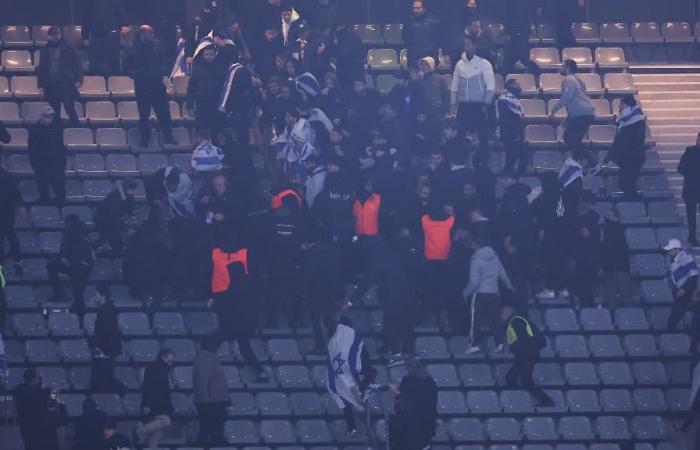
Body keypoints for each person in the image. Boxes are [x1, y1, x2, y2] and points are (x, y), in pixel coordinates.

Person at [209, 244, 270, 382]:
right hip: (246, 324)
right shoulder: (251, 285)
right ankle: (262, 373)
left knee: (212, 342)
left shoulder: (237, 285)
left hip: (234, 323)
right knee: (244, 348)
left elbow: (227, 295)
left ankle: (208, 366)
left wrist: (214, 299)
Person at [123, 25, 176, 147]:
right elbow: (125, 66)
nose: (152, 35)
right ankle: (145, 139)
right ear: (142, 34)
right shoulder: (132, 48)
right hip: (142, 85)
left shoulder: (157, 45)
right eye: (150, 33)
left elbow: (165, 61)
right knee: (144, 114)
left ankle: (168, 136)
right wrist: (137, 75)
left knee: (164, 112)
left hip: (157, 83)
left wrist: (161, 71)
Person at [462, 234, 515, 353]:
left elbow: (474, 282)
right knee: (495, 320)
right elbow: (503, 275)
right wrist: (510, 287)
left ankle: (473, 345)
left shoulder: (476, 259)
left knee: (474, 320)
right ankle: (500, 344)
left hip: (480, 294)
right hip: (494, 293)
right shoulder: (494, 257)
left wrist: (465, 293)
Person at [327, 317, 377, 436]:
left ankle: (352, 427)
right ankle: (361, 389)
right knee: (372, 372)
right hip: (353, 369)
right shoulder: (352, 337)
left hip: (340, 373)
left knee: (344, 396)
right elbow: (365, 354)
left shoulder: (334, 340)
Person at [370, 239, 416, 367]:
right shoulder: (404, 259)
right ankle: (407, 353)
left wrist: (351, 299)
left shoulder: (380, 262)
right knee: (404, 326)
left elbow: (368, 281)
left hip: (391, 300)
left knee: (391, 325)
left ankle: (396, 354)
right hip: (408, 299)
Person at [450, 36, 495, 164]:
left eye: (469, 44)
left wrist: (486, 104)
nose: (467, 46)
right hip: (464, 105)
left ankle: (482, 161)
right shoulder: (459, 64)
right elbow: (454, 85)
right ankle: (460, 162)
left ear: (474, 46)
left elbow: (490, 86)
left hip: (479, 105)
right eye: (465, 44)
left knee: (483, 136)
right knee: (460, 135)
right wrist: (453, 104)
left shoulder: (484, 64)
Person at [502, 304, 554, 406]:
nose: (500, 316)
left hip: (526, 355)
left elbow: (521, 339)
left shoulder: (515, 322)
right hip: (527, 355)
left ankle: (546, 401)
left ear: (508, 313)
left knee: (521, 379)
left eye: (502, 314)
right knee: (514, 378)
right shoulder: (521, 320)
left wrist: (514, 348)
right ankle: (524, 400)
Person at [302, 228, 344, 352]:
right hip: (331, 290)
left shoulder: (312, 253)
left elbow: (309, 273)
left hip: (315, 290)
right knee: (328, 317)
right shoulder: (335, 251)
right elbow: (340, 272)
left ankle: (320, 345)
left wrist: (304, 289)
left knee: (315, 318)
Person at [388, 358, 438, 450]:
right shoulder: (409, 380)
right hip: (411, 428)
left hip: (417, 428)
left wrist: (398, 393)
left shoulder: (427, 383)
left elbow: (416, 406)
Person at [47, 214, 93, 312]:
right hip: (85, 266)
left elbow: (63, 251)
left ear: (68, 223)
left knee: (51, 266)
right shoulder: (85, 232)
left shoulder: (68, 231)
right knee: (78, 294)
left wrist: (66, 260)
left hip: (73, 264)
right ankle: (81, 317)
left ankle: (59, 294)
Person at [37, 26, 82, 126]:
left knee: (69, 107)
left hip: (67, 83)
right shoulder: (44, 50)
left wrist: (78, 79)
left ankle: (76, 127)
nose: (55, 38)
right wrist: (40, 84)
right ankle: (57, 132)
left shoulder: (70, 47)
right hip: (51, 84)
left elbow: (78, 64)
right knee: (54, 111)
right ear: (49, 37)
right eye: (53, 36)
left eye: (56, 35)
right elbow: (42, 68)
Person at [603, 95, 646, 198]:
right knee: (624, 184)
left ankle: (634, 205)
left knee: (626, 184)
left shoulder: (636, 122)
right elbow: (618, 141)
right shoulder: (626, 121)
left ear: (627, 105)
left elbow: (623, 141)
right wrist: (608, 157)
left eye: (621, 104)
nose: (619, 107)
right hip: (627, 159)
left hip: (633, 158)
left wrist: (611, 156)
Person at [15, 369, 69, 450]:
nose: (40, 380)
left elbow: (40, 397)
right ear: (34, 380)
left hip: (31, 441)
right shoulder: (41, 403)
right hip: (45, 440)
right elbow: (62, 420)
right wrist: (59, 401)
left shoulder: (21, 396)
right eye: (38, 378)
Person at [549, 60, 595, 153]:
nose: (560, 68)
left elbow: (566, 97)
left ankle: (592, 161)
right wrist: (568, 118)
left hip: (581, 115)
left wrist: (553, 111)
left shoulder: (568, 79)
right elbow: (577, 100)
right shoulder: (576, 80)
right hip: (584, 114)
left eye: (562, 66)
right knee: (571, 139)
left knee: (571, 140)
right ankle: (580, 161)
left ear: (567, 68)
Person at [135, 348, 175, 449]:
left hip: (157, 405)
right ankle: (139, 431)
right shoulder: (156, 368)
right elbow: (147, 387)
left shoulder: (158, 368)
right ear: (163, 356)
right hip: (155, 406)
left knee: (155, 435)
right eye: (170, 360)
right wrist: (146, 404)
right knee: (166, 421)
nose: (171, 363)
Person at [193, 335, 228, 447]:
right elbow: (203, 381)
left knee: (208, 430)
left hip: (213, 400)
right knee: (210, 430)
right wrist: (206, 401)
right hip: (211, 402)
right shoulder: (206, 359)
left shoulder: (206, 358)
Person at [28, 105, 66, 206]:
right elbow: (32, 148)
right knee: (43, 185)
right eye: (47, 117)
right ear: (42, 116)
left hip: (55, 162)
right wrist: (34, 162)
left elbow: (60, 146)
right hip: (41, 162)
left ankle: (58, 202)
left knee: (58, 187)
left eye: (51, 117)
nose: (50, 119)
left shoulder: (56, 128)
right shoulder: (35, 130)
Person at [90, 286, 125, 394]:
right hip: (107, 349)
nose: (93, 298)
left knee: (101, 377)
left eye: (96, 296)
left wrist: (99, 348)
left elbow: (105, 332)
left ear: (103, 297)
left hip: (105, 349)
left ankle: (122, 391)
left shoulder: (106, 311)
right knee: (105, 376)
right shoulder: (108, 309)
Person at [186, 45, 226, 134]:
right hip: (201, 106)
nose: (209, 57)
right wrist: (190, 104)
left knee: (216, 132)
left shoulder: (221, 69)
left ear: (215, 55)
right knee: (201, 132)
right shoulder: (197, 68)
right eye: (207, 54)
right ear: (203, 55)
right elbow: (191, 87)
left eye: (211, 54)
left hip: (216, 106)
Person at [571, 192, 602, 307]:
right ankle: (588, 307)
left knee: (581, 283)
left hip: (589, 258)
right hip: (580, 257)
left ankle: (589, 307)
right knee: (578, 284)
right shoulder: (576, 217)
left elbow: (588, 235)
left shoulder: (592, 218)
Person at [81, 0, 127, 76]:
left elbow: (121, 12)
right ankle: (95, 85)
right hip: (96, 36)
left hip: (111, 34)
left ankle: (116, 84)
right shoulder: (90, 2)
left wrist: (124, 25)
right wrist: (85, 36)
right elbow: (86, 18)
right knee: (94, 63)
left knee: (113, 62)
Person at [93, 179, 137, 256]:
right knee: (109, 234)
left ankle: (103, 254)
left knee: (118, 247)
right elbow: (113, 215)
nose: (133, 192)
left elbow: (129, 210)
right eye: (131, 189)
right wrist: (127, 228)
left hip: (114, 221)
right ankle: (92, 249)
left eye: (134, 190)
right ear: (126, 189)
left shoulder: (129, 196)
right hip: (103, 220)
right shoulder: (114, 197)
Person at [600, 208, 633, 309]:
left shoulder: (617, 229)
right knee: (610, 298)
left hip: (620, 268)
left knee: (625, 296)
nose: (607, 218)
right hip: (609, 268)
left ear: (616, 218)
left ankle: (631, 320)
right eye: (606, 216)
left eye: (609, 216)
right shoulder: (607, 230)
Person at [664, 238, 699, 330]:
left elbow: (694, 276)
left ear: (676, 249)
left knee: (674, 318)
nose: (668, 252)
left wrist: (684, 289)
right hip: (684, 293)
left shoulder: (685, 258)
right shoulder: (675, 260)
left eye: (670, 250)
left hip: (687, 293)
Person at [498, 78, 528, 174]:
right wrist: (515, 134)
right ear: (511, 86)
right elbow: (507, 120)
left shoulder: (513, 99)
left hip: (515, 134)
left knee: (515, 159)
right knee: (513, 159)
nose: (520, 88)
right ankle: (511, 179)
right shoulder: (504, 100)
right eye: (518, 85)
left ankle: (514, 179)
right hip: (511, 134)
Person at [503, 0, 541, 74]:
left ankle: (537, 74)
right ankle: (507, 81)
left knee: (523, 60)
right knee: (508, 62)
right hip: (513, 35)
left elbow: (534, 12)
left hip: (522, 34)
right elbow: (508, 16)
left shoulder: (526, 4)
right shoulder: (510, 3)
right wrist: (507, 32)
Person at [402, 1, 441, 67]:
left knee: (429, 77)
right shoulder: (408, 22)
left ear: (424, 9)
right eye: (414, 8)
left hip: (429, 57)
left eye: (418, 8)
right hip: (413, 58)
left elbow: (438, 38)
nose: (415, 10)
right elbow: (405, 38)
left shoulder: (434, 21)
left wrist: (428, 51)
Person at [678, 133, 700, 247]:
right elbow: (680, 168)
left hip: (692, 188)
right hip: (691, 188)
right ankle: (692, 237)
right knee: (690, 215)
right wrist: (691, 175)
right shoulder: (690, 151)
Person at [0, 167, 23, 276]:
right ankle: (18, 263)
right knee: (11, 237)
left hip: (4, 212)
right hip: (8, 213)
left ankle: (2, 269)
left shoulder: (7, 177)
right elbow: (18, 197)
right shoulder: (8, 176)